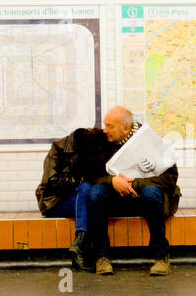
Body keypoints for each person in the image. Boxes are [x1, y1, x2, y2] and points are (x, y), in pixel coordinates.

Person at [36, 106, 179, 275]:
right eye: (105, 125)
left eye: (110, 126)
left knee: (151, 193)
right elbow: (92, 175)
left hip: (143, 196)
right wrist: (113, 181)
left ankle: (161, 256)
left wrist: (134, 184)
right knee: (95, 193)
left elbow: (170, 178)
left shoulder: (148, 140)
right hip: (116, 196)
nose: (105, 130)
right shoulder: (103, 140)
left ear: (125, 128)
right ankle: (101, 256)